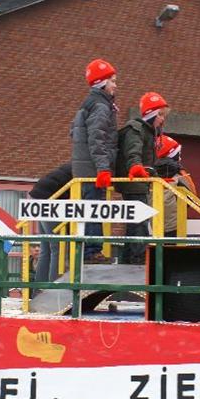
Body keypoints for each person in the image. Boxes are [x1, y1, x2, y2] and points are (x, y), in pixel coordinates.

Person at [70, 59, 118, 264]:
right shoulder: (100, 105)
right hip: (93, 170)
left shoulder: (87, 103)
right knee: (94, 208)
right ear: (102, 83)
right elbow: (97, 138)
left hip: (84, 168)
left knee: (90, 207)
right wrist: (103, 168)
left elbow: (74, 132)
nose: (115, 85)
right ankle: (92, 252)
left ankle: (89, 250)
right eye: (112, 81)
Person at [116, 91, 170, 264]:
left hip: (140, 182)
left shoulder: (149, 132)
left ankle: (128, 260)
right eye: (160, 115)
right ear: (151, 114)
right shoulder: (136, 129)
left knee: (134, 223)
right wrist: (135, 166)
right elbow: (133, 151)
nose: (162, 119)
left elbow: (147, 160)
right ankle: (138, 258)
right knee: (139, 222)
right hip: (134, 182)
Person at [29, 163, 72, 282]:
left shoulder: (76, 164)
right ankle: (54, 288)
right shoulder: (86, 169)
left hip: (40, 196)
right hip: (50, 198)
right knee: (57, 248)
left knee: (46, 248)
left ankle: (40, 289)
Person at [154, 134, 196, 237]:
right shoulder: (179, 173)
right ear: (173, 154)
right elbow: (192, 196)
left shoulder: (151, 173)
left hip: (155, 222)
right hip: (174, 224)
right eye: (178, 153)